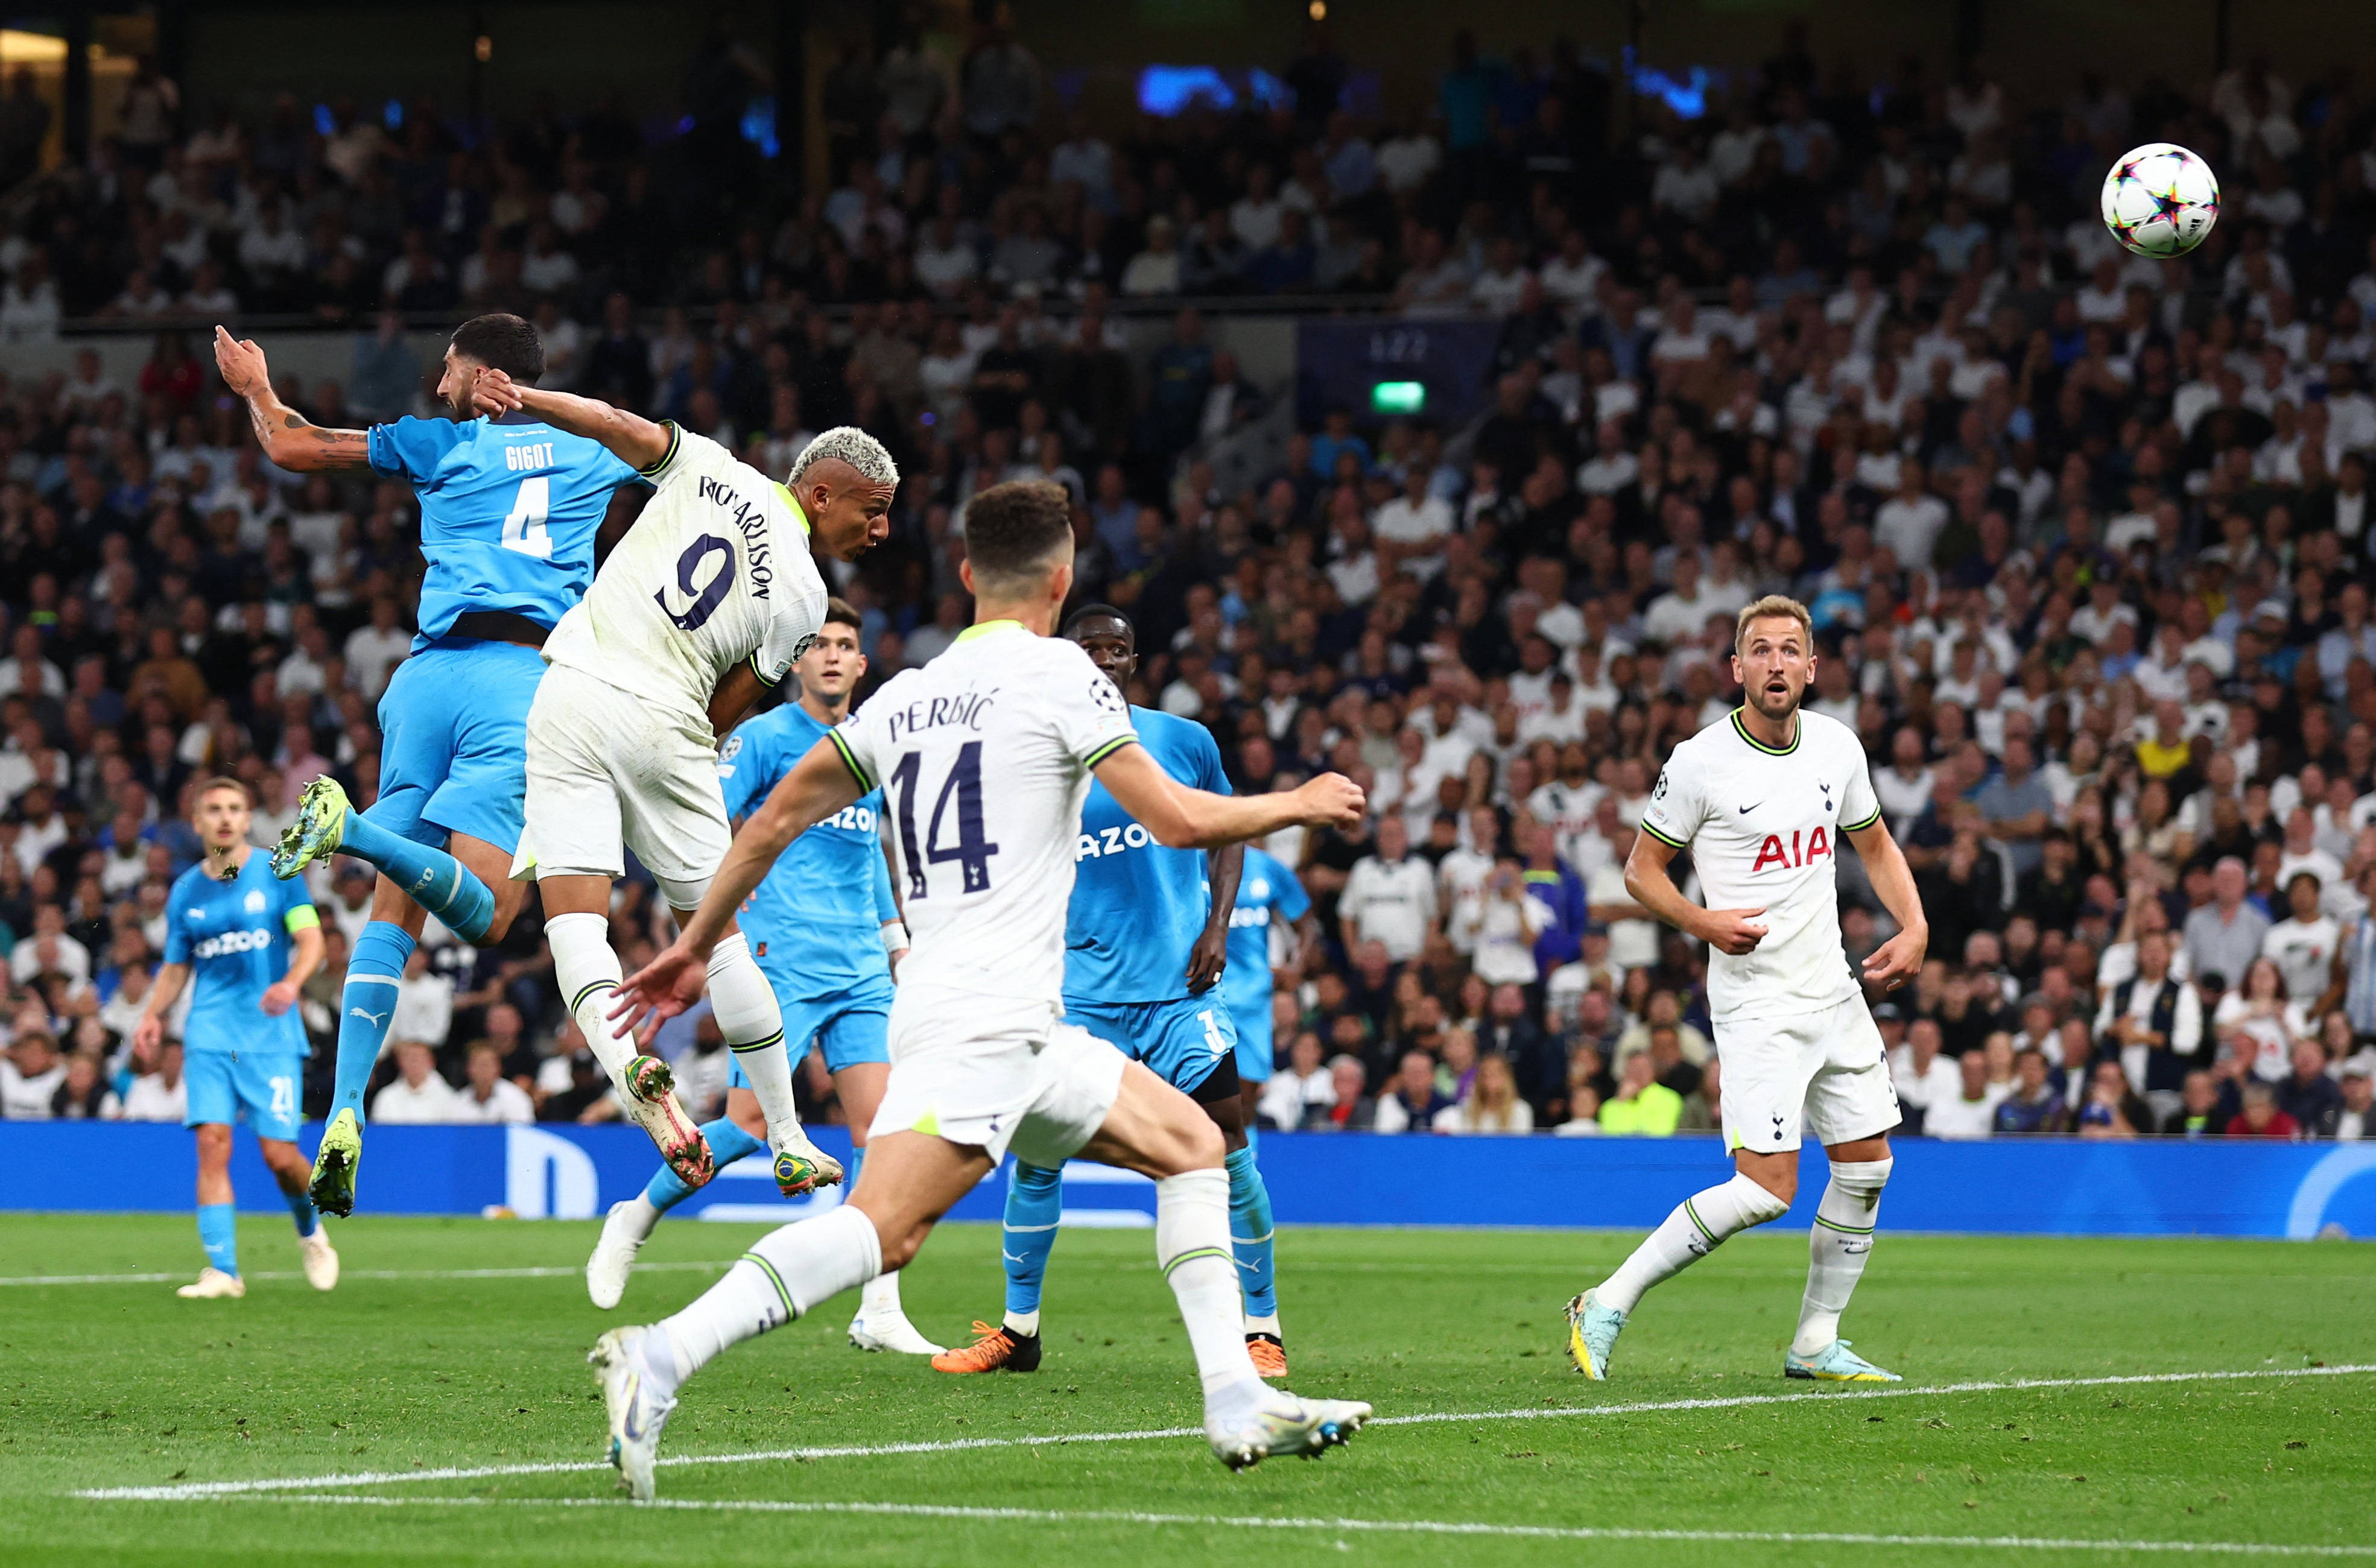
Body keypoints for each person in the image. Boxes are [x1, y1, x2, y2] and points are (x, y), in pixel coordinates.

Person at [591, 479, 1370, 1498]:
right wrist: (1297, 802)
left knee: (1191, 1147)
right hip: (988, 1024)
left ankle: (1235, 1398)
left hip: (982, 1015)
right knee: (882, 1229)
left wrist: (696, 942)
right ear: (1062, 578)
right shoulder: (1063, 678)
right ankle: (661, 1355)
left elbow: (773, 819)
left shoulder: (903, 697)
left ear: (966, 575)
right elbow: (1176, 820)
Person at [218, 317, 648, 1218]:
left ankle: (341, 1110)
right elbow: (682, 461)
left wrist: (257, 389)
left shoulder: (439, 443)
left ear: (481, 372)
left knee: (393, 911)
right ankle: (354, 830)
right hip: (520, 680)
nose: (438, 379)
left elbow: (293, 446)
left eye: (450, 367)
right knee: (490, 915)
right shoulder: (590, 448)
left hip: (424, 681)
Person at [459, 368, 899, 1200]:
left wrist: (522, 396)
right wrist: (679, 754)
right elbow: (728, 706)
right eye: (870, 510)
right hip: (667, 722)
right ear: (821, 489)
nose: (879, 529)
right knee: (718, 937)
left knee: (573, 928)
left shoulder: (709, 465)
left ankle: (631, 1076)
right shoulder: (805, 597)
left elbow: (610, 420)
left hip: (572, 690)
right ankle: (791, 1137)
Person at [1568, 596, 1925, 1385]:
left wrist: (1914, 924)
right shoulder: (1699, 762)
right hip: (1756, 1000)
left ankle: (1813, 1342)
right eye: (1757, 651)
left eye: (1787, 651)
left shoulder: (1835, 747)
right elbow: (1639, 873)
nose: (1773, 664)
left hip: (1831, 990)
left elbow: (1873, 843)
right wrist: (1703, 923)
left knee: (1866, 1165)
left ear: (1809, 667)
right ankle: (1603, 1300)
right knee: (1766, 1190)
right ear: (1736, 670)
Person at [939, 604, 1294, 1379]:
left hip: (1176, 993)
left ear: (1136, 660)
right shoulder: (1031, 753)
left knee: (1230, 1151)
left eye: (1119, 649)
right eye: (1090, 648)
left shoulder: (1181, 741)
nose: (1105, 660)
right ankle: (1019, 1330)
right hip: (1078, 1000)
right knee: (1038, 1161)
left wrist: (1219, 925)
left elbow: (1228, 827)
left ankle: (1261, 1328)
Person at [585, 600, 940, 1358]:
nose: (835, 657)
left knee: (879, 1133)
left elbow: (869, 852)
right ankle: (636, 1215)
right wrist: (722, 881)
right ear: (799, 662)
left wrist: (897, 941)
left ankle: (878, 1307)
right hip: (783, 962)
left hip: (860, 971)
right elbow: (701, 812)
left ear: (862, 662)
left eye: (848, 645)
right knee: (750, 1128)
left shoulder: (865, 745)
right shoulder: (765, 737)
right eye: (820, 646)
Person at [131, 778, 338, 1300]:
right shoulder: (184, 892)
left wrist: (291, 984)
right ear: (196, 822)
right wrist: (153, 1014)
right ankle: (223, 1270)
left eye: (235, 809)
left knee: (279, 1157)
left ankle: (311, 1231)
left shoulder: (278, 873)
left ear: (248, 819)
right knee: (212, 1144)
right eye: (214, 810)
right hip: (208, 1035)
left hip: (269, 1036)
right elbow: (177, 967)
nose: (225, 818)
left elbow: (312, 941)